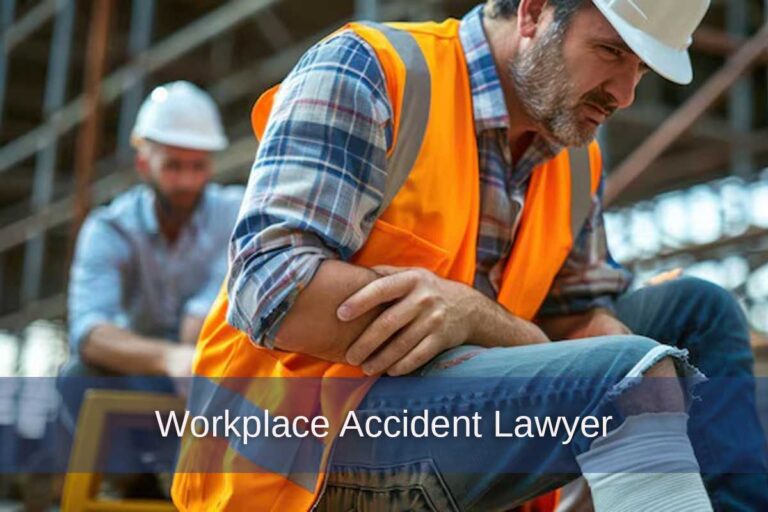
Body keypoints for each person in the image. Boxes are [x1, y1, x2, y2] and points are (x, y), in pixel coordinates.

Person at [172, 1, 768, 511]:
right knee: (627, 377)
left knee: (698, 313)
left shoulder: (572, 155)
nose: (626, 93)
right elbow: (272, 291)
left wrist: (485, 321)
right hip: (303, 445)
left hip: (453, 404)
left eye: (641, 67)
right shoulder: (373, 71)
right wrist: (594, 371)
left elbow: (580, 313)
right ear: (534, 11)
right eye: (612, 52)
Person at [61, 81, 244, 465]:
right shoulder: (109, 229)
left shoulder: (237, 213)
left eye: (198, 166)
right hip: (145, 374)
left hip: (219, 375)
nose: (187, 181)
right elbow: (90, 333)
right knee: (78, 374)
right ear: (145, 164)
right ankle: (132, 477)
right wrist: (171, 359)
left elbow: (211, 313)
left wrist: (197, 351)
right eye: (174, 166)